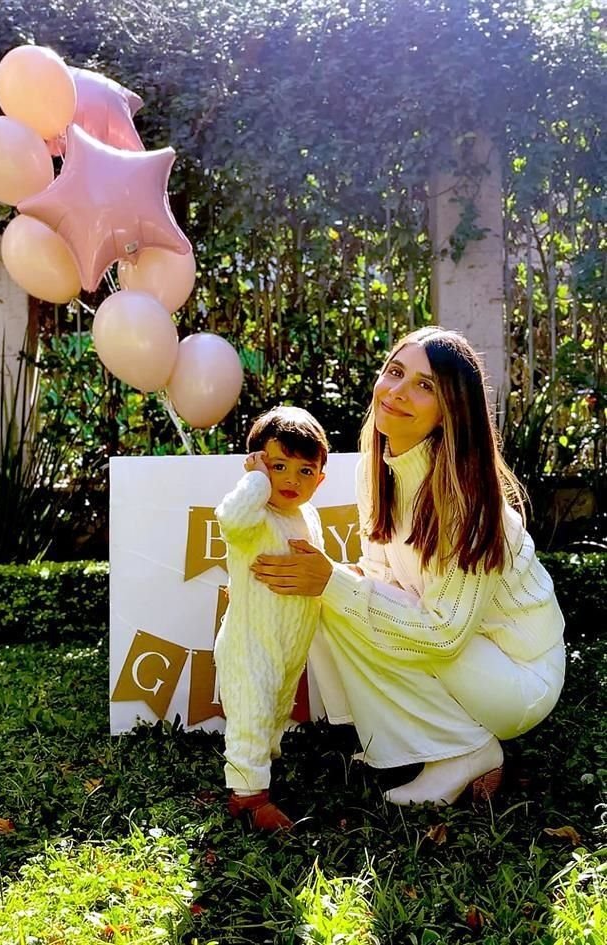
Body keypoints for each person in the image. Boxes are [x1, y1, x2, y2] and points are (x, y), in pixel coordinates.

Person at [250, 327, 566, 807]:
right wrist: (330, 581)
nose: (397, 391)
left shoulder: (470, 502)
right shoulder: (375, 468)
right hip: (463, 649)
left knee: (340, 594)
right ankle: (414, 735)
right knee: (336, 595)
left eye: (424, 386)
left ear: (450, 411)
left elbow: (445, 635)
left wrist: (335, 584)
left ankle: (467, 750)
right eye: (395, 372)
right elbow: (380, 576)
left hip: (516, 678)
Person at [214, 406, 328, 830]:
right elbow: (230, 516)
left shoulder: (307, 516)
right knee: (252, 709)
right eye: (278, 466)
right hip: (250, 641)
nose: (290, 481)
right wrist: (255, 481)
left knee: (277, 705)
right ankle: (248, 796)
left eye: (304, 470)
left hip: (288, 642)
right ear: (258, 464)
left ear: (320, 478)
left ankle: (265, 759)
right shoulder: (254, 515)